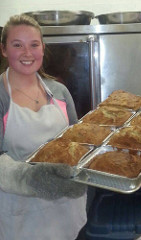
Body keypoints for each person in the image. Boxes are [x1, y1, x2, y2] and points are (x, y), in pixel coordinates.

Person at [0, 14, 87, 240]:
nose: (27, 53)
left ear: (43, 49)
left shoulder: (59, 91)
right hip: (23, 218)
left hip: (68, 211)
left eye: (34, 45)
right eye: (17, 45)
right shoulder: (1, 96)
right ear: (4, 50)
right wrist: (33, 179)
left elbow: (76, 143)